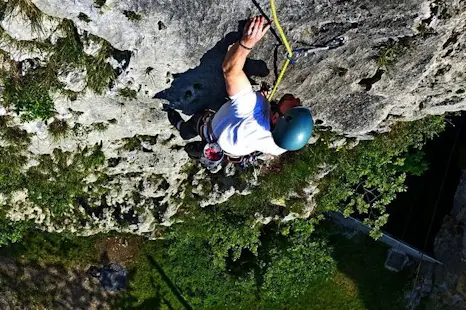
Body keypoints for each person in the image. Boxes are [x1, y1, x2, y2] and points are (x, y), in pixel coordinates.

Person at [166, 16, 314, 164]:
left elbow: (230, 70)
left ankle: (181, 127)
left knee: (191, 126)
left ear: (275, 118)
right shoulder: (283, 143)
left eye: (295, 106)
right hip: (234, 151)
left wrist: (247, 42)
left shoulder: (251, 106)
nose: (298, 100)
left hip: (211, 130)